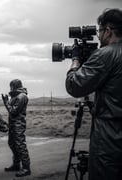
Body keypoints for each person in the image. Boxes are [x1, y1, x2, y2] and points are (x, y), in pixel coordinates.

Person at [66, 8, 122, 180]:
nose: (98, 37)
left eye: (99, 32)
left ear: (108, 30)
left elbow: (74, 85)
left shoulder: (106, 55)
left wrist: (76, 59)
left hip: (109, 139)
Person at [2, 79, 31, 177]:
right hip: (13, 124)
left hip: (18, 124)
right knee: (12, 143)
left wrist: (6, 102)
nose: (11, 88)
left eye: (12, 86)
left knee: (20, 145)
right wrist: (7, 101)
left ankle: (26, 168)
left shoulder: (22, 96)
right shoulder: (15, 96)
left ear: (16, 86)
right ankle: (16, 164)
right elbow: (12, 110)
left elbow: (13, 111)